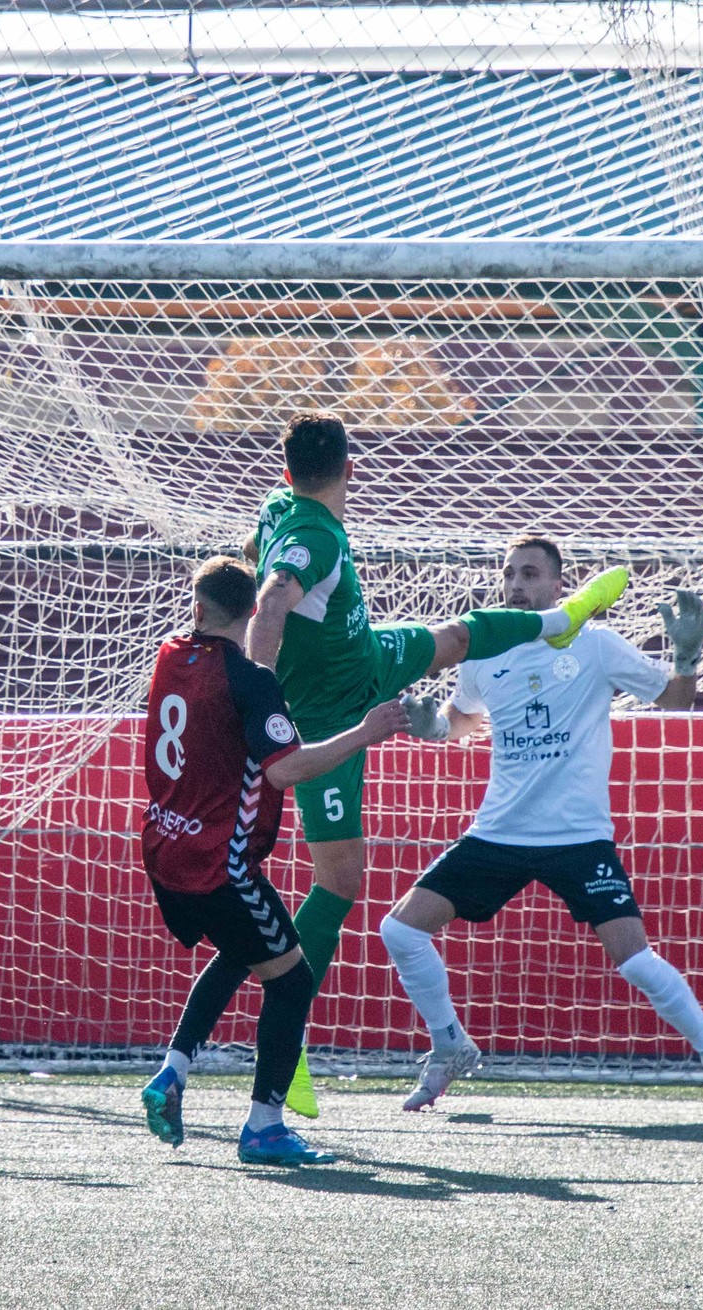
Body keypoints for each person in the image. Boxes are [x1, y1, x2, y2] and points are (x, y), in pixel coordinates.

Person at [245, 411, 627, 1115]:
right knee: (342, 880)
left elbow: (266, 571)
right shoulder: (312, 532)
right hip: (329, 714)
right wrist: (256, 698)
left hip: (365, 655)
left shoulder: (279, 508)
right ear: (350, 469)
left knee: (459, 636)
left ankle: (559, 620)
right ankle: (287, 1040)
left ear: (288, 468)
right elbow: (270, 603)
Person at [378, 536, 703, 1116]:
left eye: (530, 574)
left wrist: (687, 656)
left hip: (578, 838)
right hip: (499, 833)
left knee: (636, 959)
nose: (515, 584)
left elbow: (677, 699)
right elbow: (461, 722)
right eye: (509, 574)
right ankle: (449, 1046)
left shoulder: (597, 645)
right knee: (400, 931)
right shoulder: (485, 652)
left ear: (562, 587)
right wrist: (430, 725)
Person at [138, 557, 410, 1165]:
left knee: (243, 951)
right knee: (292, 980)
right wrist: (365, 732)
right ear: (255, 610)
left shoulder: (167, 656)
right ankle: (263, 1127)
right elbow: (284, 769)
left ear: (197, 609)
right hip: (220, 864)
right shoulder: (253, 680)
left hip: (163, 852)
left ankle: (172, 1073)